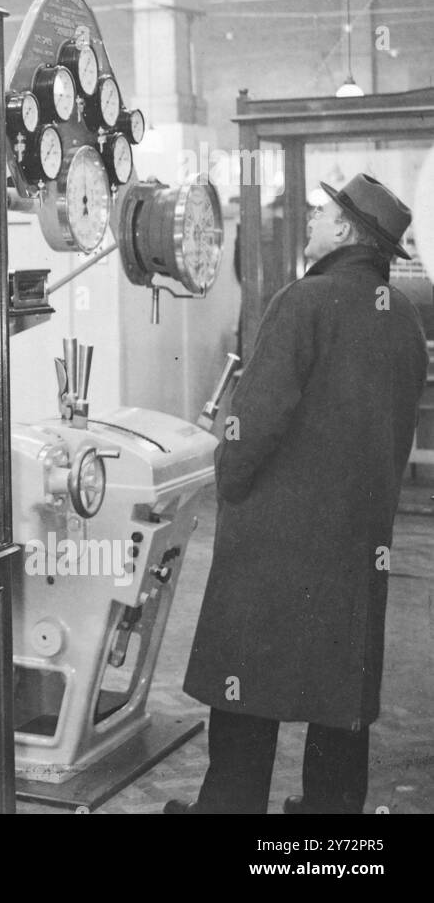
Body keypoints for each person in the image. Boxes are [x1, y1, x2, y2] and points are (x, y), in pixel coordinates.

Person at [168, 173, 428, 815]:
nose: (310, 220)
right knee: (341, 691)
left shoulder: (302, 302)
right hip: (358, 539)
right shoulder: (406, 321)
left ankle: (229, 811)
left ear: (343, 230)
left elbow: (252, 421)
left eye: (320, 212)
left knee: (248, 687)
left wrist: (231, 482)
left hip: (276, 539)